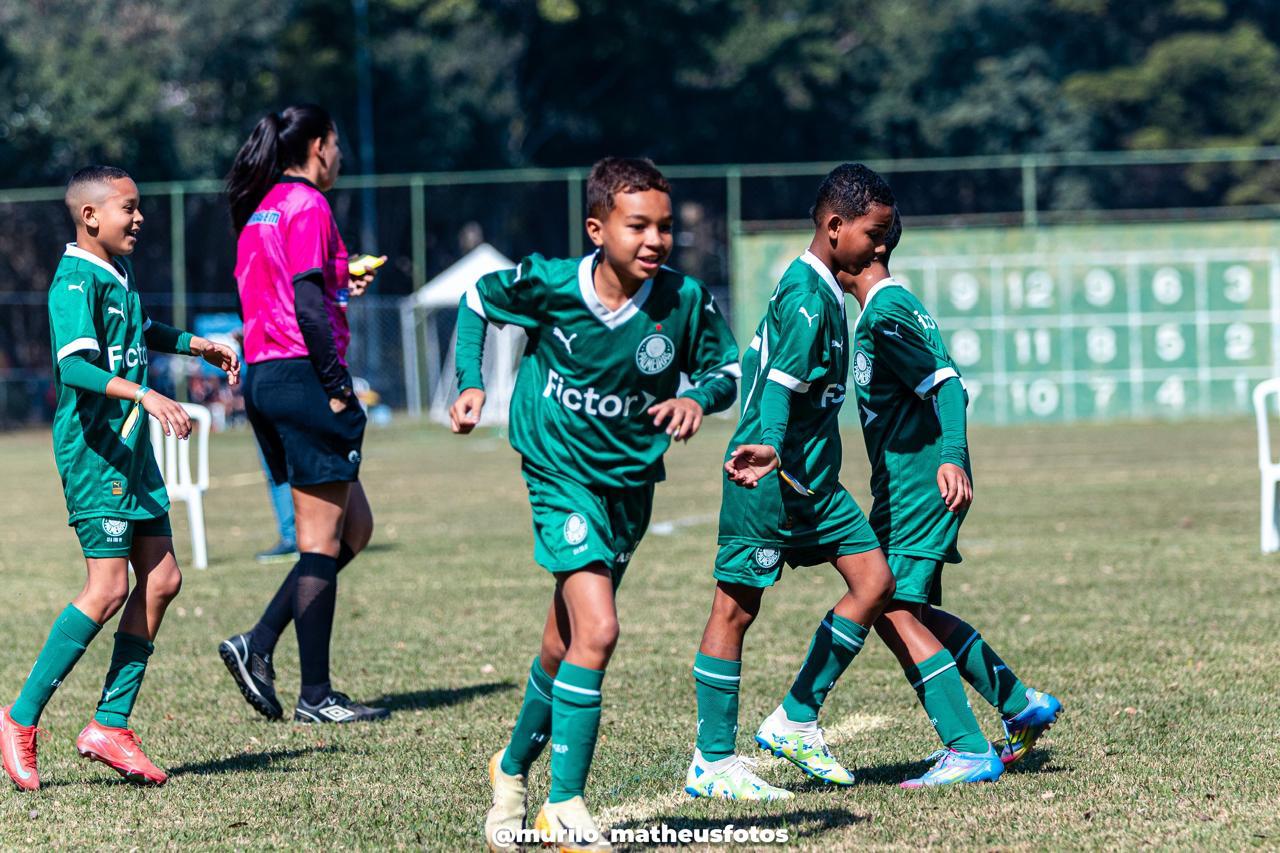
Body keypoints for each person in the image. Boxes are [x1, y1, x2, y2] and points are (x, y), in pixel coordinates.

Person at [452, 157, 739, 852]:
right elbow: (476, 303)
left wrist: (697, 397)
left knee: (568, 636)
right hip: (556, 470)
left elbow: (728, 369)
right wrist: (470, 382)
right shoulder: (552, 283)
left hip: (628, 486)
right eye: (638, 225)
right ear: (597, 228)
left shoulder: (684, 301)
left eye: (665, 226)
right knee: (602, 628)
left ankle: (511, 766)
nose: (655, 240)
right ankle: (565, 804)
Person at [0, 166, 240, 790]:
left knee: (161, 579)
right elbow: (74, 366)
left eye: (139, 208)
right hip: (95, 452)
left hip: (131, 451)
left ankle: (110, 724)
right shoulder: (73, 280)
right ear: (89, 217)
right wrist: (146, 394)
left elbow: (137, 334)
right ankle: (19, 718)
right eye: (128, 208)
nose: (139, 219)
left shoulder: (116, 273)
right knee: (107, 589)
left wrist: (196, 344)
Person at [684, 164, 897, 801]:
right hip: (770, 479)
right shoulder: (808, 296)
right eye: (874, 233)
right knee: (736, 607)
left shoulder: (828, 288)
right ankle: (712, 760)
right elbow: (777, 390)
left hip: (814, 483)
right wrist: (769, 448)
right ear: (834, 227)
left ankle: (796, 717)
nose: (883, 246)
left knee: (874, 581)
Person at [840, 210, 1063, 787]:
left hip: (919, 489)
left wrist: (953, 455)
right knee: (909, 611)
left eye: (830, 236)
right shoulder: (889, 308)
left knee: (886, 607)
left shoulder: (886, 312)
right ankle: (1017, 702)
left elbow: (946, 382)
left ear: (868, 243)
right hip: (903, 490)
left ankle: (966, 748)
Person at [218, 104, 386, 724]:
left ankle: (258, 642)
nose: (340, 156)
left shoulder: (262, 207)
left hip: (265, 376)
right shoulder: (308, 204)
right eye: (337, 143)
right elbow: (307, 305)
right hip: (301, 375)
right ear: (318, 145)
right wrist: (339, 386)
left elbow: (297, 287)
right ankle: (312, 693)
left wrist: (345, 280)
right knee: (320, 543)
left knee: (354, 529)